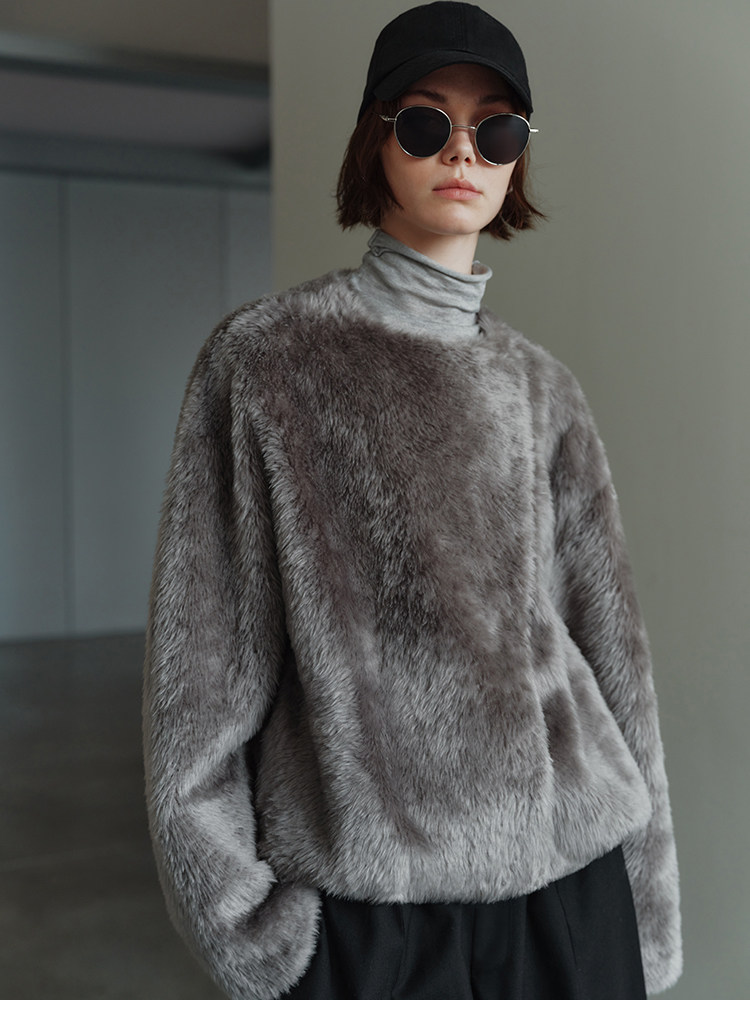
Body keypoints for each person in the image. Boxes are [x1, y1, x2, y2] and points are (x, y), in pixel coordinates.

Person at [143, 2, 682, 1000]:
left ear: (518, 157)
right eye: (428, 121)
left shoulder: (544, 387)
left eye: (497, 129)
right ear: (376, 138)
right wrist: (247, 931)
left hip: (571, 897)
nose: (463, 151)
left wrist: (648, 926)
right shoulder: (265, 362)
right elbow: (201, 678)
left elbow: (616, 664)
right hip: (371, 922)